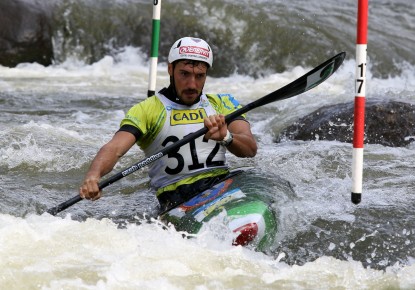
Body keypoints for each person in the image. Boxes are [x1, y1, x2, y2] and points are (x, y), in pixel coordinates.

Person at [79, 37, 257, 211]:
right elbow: (114, 148)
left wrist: (227, 137)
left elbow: (250, 149)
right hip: (176, 199)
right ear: (170, 69)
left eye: (200, 76)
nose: (192, 84)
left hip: (221, 185)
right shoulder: (147, 110)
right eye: (184, 74)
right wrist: (93, 176)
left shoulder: (222, 104)